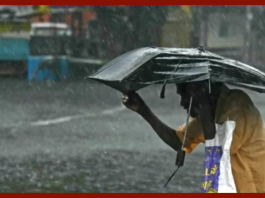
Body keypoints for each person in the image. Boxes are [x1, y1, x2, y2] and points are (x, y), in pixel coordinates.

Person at [122, 81, 265, 193]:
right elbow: (178, 141)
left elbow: (220, 151)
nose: (183, 103)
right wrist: (143, 109)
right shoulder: (211, 113)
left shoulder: (237, 106)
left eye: (185, 96)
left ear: (203, 92)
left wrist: (203, 108)